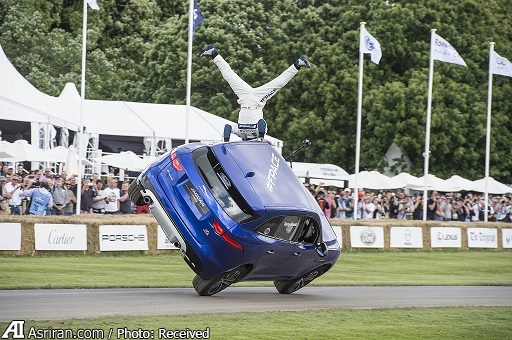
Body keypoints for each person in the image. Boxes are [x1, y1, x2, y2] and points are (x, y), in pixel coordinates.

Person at [198, 44, 311, 142]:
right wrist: (262, 138)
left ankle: (214, 54)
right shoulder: (250, 133)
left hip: (248, 99)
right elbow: (260, 123)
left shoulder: (241, 133)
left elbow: (229, 127)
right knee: (231, 76)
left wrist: (226, 144)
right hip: (254, 100)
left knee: (230, 76)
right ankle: (298, 64)